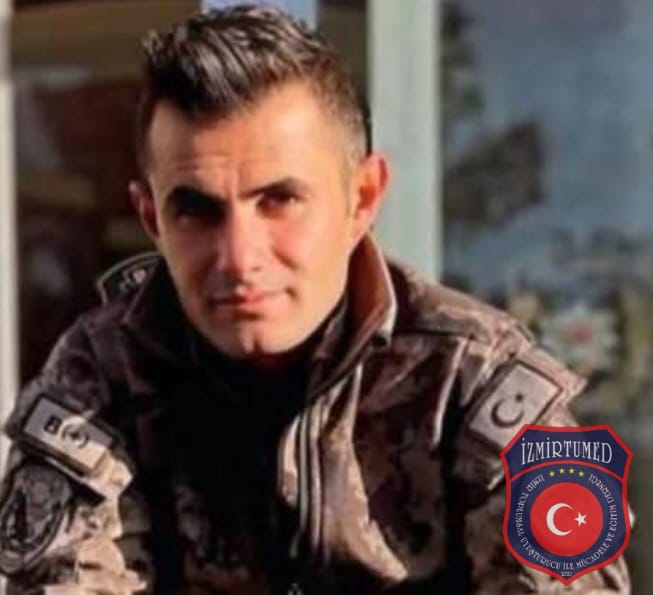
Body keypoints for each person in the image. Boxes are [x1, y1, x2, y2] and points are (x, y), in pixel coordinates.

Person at [0, 5, 631, 594]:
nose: (239, 257)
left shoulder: (484, 382)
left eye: (280, 200)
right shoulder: (98, 381)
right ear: (150, 219)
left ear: (363, 199)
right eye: (197, 211)